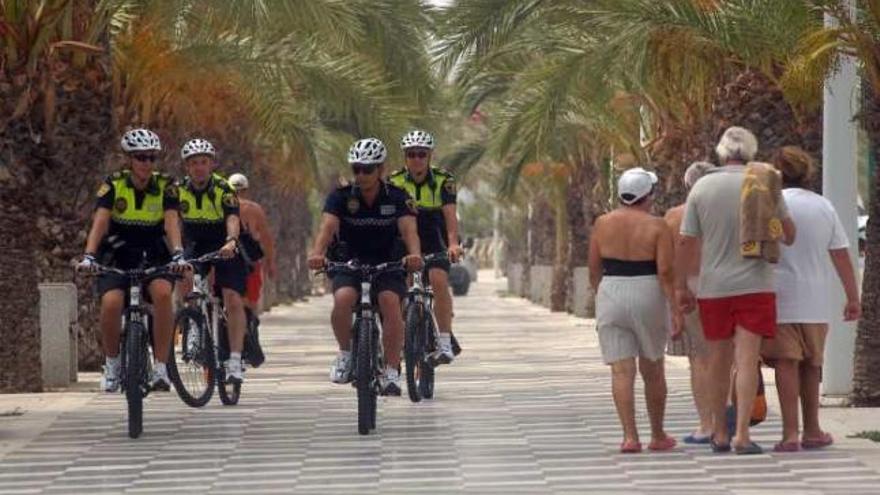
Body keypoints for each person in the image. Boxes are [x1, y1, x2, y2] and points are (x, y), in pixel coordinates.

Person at [676, 127, 796, 455]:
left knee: (716, 361)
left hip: (714, 287)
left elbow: (686, 240)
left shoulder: (702, 187)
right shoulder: (765, 181)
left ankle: (719, 434)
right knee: (746, 361)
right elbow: (789, 234)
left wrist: (681, 286)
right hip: (756, 284)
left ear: (721, 152)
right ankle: (742, 434)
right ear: (751, 151)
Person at [761, 146, 861, 452]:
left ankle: (790, 434)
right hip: (816, 299)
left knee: (785, 363)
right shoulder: (823, 207)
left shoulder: (770, 205)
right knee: (812, 365)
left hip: (778, 296)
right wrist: (852, 297)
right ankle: (813, 430)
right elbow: (841, 254)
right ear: (807, 173)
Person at [308, 138, 423, 396]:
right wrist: (316, 253)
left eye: (367, 169)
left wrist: (414, 255)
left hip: (388, 262)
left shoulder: (397, 197)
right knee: (343, 299)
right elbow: (327, 228)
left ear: (380, 169)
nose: (361, 175)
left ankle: (392, 371)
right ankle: (346, 353)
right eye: (356, 169)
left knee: (389, 302)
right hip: (350, 260)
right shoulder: (340, 197)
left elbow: (409, 231)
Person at [77, 128, 187, 392]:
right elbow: (100, 223)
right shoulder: (113, 185)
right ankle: (112, 363)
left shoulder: (166, 186)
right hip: (117, 253)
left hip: (154, 252)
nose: (146, 164)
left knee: (161, 294)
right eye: (140, 158)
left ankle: (161, 368)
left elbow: (172, 223)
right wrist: (89, 256)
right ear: (129, 159)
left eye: (151, 158)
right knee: (112, 302)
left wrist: (179, 253)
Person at [588, 167, 678, 454]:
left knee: (620, 370)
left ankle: (629, 436)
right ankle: (658, 434)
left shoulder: (602, 223)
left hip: (611, 289)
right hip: (647, 289)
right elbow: (665, 271)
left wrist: (601, 294)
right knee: (652, 368)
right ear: (648, 195)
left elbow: (593, 268)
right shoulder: (657, 225)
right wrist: (675, 309)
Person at [177, 138, 248, 385]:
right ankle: (192, 324)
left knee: (232, 297)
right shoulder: (178, 190)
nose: (199, 167)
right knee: (184, 273)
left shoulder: (223, 188)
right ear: (187, 166)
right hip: (194, 244)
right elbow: (168, 220)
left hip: (223, 244)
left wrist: (230, 241)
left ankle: (236, 359)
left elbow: (232, 217)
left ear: (211, 165)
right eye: (194, 163)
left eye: (204, 163)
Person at [389, 130, 463, 363]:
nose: (417, 159)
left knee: (438, 280)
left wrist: (452, 244)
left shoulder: (444, 180)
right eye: (411, 154)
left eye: (422, 154)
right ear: (405, 156)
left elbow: (450, 217)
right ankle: (402, 339)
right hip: (404, 239)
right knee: (400, 287)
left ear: (430, 155)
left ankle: (443, 342)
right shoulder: (394, 181)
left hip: (434, 236)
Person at [665, 161, 716, 444]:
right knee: (725, 356)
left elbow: (666, 262)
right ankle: (725, 422)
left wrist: (674, 296)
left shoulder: (673, 217)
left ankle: (706, 424)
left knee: (698, 357)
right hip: (721, 285)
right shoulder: (724, 212)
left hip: (688, 289)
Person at [228, 173, 276, 315]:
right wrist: (271, 261)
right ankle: (249, 327)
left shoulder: (220, 207)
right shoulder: (254, 209)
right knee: (250, 301)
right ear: (246, 190)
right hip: (250, 258)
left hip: (228, 255)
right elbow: (266, 238)